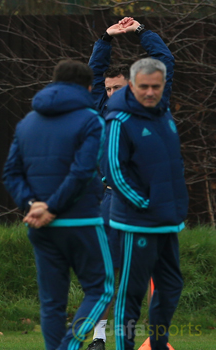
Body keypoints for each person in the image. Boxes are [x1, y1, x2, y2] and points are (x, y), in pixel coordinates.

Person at [3, 60, 114, 350]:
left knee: (52, 303)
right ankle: (69, 346)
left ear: (54, 83)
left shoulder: (27, 122)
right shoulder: (92, 120)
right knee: (102, 289)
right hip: (82, 222)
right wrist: (51, 207)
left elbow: (11, 173)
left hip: (39, 225)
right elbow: (82, 171)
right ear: (89, 88)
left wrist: (32, 205)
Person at [87, 17, 175, 350]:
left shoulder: (152, 107)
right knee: (106, 271)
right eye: (108, 89)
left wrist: (141, 33)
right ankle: (98, 338)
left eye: (117, 88)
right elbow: (95, 72)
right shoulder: (103, 111)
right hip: (111, 201)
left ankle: (156, 339)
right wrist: (105, 38)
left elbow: (166, 61)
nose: (111, 94)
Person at [105, 58, 187, 350]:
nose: (150, 92)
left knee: (171, 285)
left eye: (156, 86)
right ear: (131, 85)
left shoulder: (164, 114)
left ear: (163, 86)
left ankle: (158, 344)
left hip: (167, 219)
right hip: (136, 221)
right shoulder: (119, 119)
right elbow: (114, 169)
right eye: (144, 87)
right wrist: (144, 203)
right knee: (132, 293)